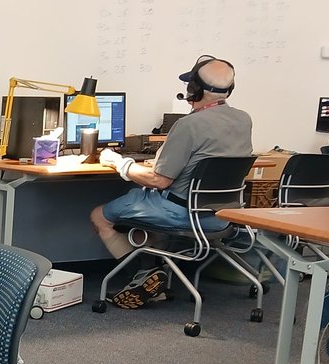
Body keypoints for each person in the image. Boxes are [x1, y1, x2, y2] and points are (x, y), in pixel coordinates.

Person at [89, 55, 253, 309]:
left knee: (100, 216)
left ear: (194, 90)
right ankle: (156, 273)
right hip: (221, 214)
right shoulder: (243, 119)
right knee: (150, 214)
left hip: (181, 212)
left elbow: (160, 180)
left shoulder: (189, 124)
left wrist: (118, 162)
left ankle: (142, 278)